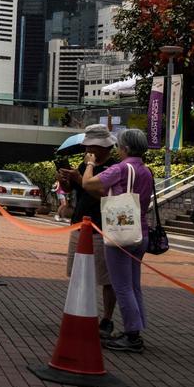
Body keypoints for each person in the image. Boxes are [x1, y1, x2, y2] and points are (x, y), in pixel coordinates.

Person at [81, 128, 155, 353]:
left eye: (120, 146)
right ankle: (136, 329)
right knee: (133, 285)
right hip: (140, 232)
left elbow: (88, 184)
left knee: (122, 286)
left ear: (125, 148)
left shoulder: (121, 168)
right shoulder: (146, 170)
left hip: (121, 232)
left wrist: (90, 163)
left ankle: (132, 335)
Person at [56, 123, 117, 339]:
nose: (87, 149)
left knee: (106, 278)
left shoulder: (114, 167)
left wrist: (79, 178)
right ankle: (79, 311)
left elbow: (101, 193)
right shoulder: (84, 165)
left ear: (103, 146)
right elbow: (76, 190)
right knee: (77, 274)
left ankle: (107, 319)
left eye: (91, 145)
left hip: (102, 227)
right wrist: (66, 182)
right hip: (79, 223)